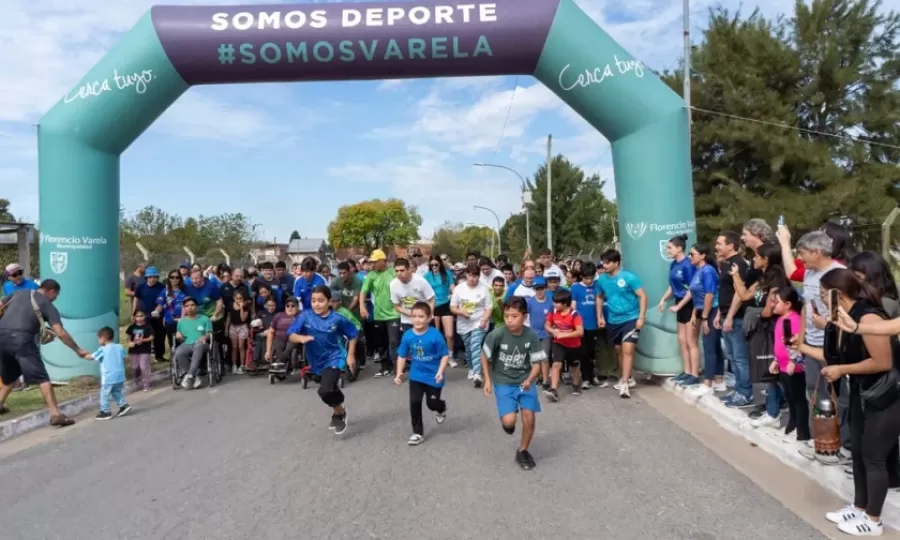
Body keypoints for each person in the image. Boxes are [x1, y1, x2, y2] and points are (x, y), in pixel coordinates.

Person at [807, 269, 898, 536]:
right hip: (863, 393)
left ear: (839, 292)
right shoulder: (843, 318)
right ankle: (859, 507)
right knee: (857, 451)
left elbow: (882, 362)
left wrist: (842, 369)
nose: (821, 297)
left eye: (824, 292)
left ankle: (873, 520)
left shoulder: (867, 315)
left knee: (873, 456)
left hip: (885, 396)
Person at [0, 279, 92, 426]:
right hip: (23, 339)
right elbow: (60, 333)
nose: (55, 298)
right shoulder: (46, 305)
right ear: (51, 291)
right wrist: (78, 350)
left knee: (9, 376)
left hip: (2, 338)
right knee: (42, 378)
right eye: (56, 295)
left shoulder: (18, 294)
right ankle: (56, 414)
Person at [481, 296, 548, 471]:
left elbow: (537, 363)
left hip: (525, 382)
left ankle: (523, 450)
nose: (510, 320)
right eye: (506, 316)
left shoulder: (531, 335)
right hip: (503, 381)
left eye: (514, 316)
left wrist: (530, 379)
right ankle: (509, 420)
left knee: (529, 417)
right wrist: (487, 380)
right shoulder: (496, 334)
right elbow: (484, 355)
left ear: (524, 316)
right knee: (509, 421)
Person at [287, 286, 358, 436]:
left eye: (321, 301)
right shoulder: (305, 316)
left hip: (335, 356)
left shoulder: (337, 319)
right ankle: (340, 410)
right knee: (328, 390)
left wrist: (351, 355)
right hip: (315, 360)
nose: (317, 304)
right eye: (313, 301)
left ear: (329, 301)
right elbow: (291, 334)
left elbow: (353, 334)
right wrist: (301, 338)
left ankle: (339, 413)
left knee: (325, 389)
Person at [394, 302, 449, 445]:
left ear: (429, 318)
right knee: (414, 402)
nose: (417, 320)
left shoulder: (435, 335)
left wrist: (440, 371)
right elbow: (401, 355)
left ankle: (441, 407)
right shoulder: (407, 335)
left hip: (434, 376)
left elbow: (444, 355)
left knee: (432, 404)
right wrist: (399, 372)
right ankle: (417, 432)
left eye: (421, 316)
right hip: (416, 375)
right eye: (414, 316)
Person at [756, 286, 808, 438]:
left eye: (776, 302)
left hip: (794, 367)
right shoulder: (780, 320)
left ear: (788, 304)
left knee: (798, 399)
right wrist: (776, 360)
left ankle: (803, 432)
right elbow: (780, 343)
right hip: (783, 366)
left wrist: (794, 360)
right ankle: (793, 423)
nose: (773, 304)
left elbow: (798, 343)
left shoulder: (795, 320)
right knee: (790, 397)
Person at [596, 249, 647, 398]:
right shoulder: (602, 280)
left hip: (630, 318)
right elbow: (599, 297)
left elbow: (642, 296)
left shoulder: (629, 278)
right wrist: (600, 316)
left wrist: (641, 317)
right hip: (613, 320)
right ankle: (627, 377)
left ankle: (624, 383)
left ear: (616, 263)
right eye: (603, 262)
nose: (604, 265)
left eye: (607, 263)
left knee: (628, 349)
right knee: (619, 350)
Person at [715, 231, 754, 409]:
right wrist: (719, 315)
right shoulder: (726, 263)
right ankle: (738, 389)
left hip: (736, 318)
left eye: (720, 243)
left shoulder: (738, 264)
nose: (716, 247)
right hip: (725, 316)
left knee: (740, 358)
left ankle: (746, 393)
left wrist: (729, 317)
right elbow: (724, 292)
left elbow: (740, 294)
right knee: (731, 356)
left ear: (731, 245)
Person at [658, 234, 699, 386]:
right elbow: (673, 286)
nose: (667, 250)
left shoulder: (688, 265)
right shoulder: (673, 264)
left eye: (669, 248)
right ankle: (687, 371)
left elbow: (692, 289)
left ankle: (695, 373)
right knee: (681, 340)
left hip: (689, 303)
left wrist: (680, 305)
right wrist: (663, 299)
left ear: (679, 248)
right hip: (678, 302)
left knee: (691, 341)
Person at [686, 243, 725, 396]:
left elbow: (709, 296)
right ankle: (719, 379)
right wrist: (695, 313)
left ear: (702, 255)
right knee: (713, 346)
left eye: (693, 254)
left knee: (709, 347)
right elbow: (698, 296)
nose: (690, 257)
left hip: (711, 310)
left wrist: (704, 318)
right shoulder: (698, 271)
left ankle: (708, 382)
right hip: (703, 310)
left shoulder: (708, 271)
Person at [450, 263, 492, 387]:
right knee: (468, 348)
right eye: (470, 275)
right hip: (464, 323)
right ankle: (472, 368)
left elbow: (488, 307)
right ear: (466, 275)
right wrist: (461, 312)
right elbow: (453, 307)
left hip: (479, 321)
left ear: (479, 276)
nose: (472, 278)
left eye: (475, 276)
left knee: (475, 345)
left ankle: (478, 375)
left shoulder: (484, 288)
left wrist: (484, 319)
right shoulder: (459, 288)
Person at [359, 249, 398, 378]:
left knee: (393, 342)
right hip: (378, 314)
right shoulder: (371, 275)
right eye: (372, 262)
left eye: (375, 262)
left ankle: (398, 367)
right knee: (381, 343)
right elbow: (363, 291)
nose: (373, 264)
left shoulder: (393, 272)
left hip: (394, 313)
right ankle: (384, 367)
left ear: (383, 261)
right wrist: (362, 307)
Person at [545, 288, 584, 401]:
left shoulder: (575, 315)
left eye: (557, 303)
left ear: (565, 303)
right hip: (558, 343)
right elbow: (547, 324)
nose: (554, 304)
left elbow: (580, 332)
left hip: (574, 345)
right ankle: (553, 390)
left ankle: (576, 385)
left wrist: (564, 335)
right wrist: (553, 331)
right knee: (556, 365)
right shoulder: (553, 311)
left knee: (574, 366)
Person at [570, 261, 601, 388]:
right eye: (586, 278)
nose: (589, 281)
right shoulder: (576, 287)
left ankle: (592, 375)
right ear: (581, 276)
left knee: (592, 351)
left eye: (591, 278)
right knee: (583, 351)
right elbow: (573, 305)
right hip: (581, 325)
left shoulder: (598, 286)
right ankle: (586, 377)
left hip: (594, 324)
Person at [90, 326, 132, 420]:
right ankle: (123, 405)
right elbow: (125, 357)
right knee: (116, 391)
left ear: (103, 338)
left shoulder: (103, 349)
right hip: (120, 376)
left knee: (104, 394)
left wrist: (83, 355)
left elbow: (92, 357)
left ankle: (105, 411)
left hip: (109, 377)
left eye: (99, 338)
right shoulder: (119, 347)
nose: (98, 341)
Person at [174, 297, 213, 390]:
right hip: (187, 343)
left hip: (201, 343)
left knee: (198, 346)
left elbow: (209, 333)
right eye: (187, 306)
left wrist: (205, 337)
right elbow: (180, 338)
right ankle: (193, 377)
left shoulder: (205, 319)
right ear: (184, 308)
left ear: (196, 306)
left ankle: (190, 375)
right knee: (179, 351)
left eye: (192, 305)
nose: (190, 307)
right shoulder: (181, 322)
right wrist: (178, 335)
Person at [389, 258, 436, 334]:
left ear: (409, 270)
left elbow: (431, 299)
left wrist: (428, 315)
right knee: (411, 343)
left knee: (428, 343)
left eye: (402, 270)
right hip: (407, 321)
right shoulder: (393, 285)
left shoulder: (420, 280)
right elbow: (396, 306)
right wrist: (412, 313)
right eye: (396, 271)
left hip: (424, 319)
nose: (399, 273)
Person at [132, 266, 166, 362]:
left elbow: (164, 300)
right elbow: (136, 298)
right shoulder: (141, 287)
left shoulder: (161, 287)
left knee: (159, 336)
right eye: (150, 277)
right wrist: (133, 312)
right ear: (146, 278)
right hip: (144, 315)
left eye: (154, 277)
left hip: (158, 315)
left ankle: (159, 355)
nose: (152, 279)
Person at [423, 255, 456, 353]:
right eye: (432, 265)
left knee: (449, 334)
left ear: (440, 264)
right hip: (434, 306)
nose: (434, 267)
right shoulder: (427, 276)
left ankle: (450, 355)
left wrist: (454, 295)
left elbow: (453, 288)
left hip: (446, 304)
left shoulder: (447, 274)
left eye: (436, 264)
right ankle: (438, 354)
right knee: (436, 334)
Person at [525, 277, 553, 391]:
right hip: (534, 334)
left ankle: (546, 380)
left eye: (541, 288)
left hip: (546, 333)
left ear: (545, 288)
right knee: (535, 358)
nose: (539, 291)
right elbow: (525, 316)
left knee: (545, 357)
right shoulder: (530, 302)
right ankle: (538, 377)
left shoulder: (551, 302)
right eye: (537, 289)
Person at [125, 310, 154, 392]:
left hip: (145, 350)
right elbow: (128, 337)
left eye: (141, 316)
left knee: (143, 367)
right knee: (135, 367)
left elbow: (152, 337)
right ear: (134, 317)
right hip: (134, 350)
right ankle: (138, 380)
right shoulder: (131, 327)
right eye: (137, 316)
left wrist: (143, 340)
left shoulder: (148, 326)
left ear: (144, 317)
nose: (139, 318)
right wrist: (129, 342)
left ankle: (146, 385)